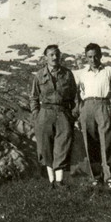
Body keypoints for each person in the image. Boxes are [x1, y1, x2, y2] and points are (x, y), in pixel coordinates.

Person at [74, 43, 111, 189]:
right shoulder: (81, 73)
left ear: (100, 56)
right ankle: (97, 177)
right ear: (86, 58)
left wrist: (109, 109)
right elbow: (77, 95)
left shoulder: (109, 70)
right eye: (89, 57)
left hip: (103, 105)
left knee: (106, 142)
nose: (93, 59)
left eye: (95, 56)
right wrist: (80, 111)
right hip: (87, 107)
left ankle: (110, 178)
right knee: (90, 142)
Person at [30, 44, 77, 187]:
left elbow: (75, 96)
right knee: (45, 148)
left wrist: (72, 114)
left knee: (62, 146)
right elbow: (33, 97)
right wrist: (37, 115)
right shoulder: (39, 75)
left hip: (63, 113)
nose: (54, 57)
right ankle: (51, 181)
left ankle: (59, 181)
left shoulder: (68, 74)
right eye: (51, 55)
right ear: (45, 58)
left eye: (57, 54)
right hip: (45, 113)